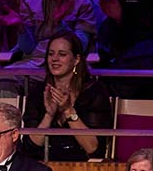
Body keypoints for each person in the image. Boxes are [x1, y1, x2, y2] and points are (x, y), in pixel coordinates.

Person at [21, 32, 112, 161]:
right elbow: (30, 147)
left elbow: (94, 149)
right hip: (41, 166)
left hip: (81, 167)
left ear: (76, 59)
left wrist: (68, 110)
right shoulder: (38, 92)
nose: (55, 59)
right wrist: (49, 115)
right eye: (51, 54)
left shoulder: (94, 91)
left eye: (62, 54)